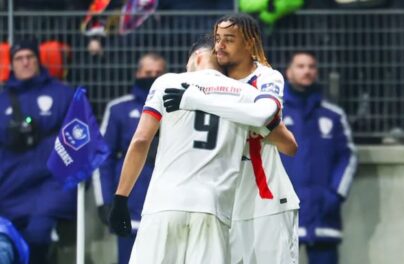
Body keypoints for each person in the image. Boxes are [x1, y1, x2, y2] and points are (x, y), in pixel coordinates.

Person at [108, 36, 293, 263]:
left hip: (165, 204)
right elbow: (288, 145)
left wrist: (120, 199)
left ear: (196, 57)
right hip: (213, 208)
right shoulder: (246, 95)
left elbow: (140, 141)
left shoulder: (168, 82)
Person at [211, 13, 300, 264]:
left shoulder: (267, 77)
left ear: (250, 43)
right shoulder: (210, 81)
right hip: (223, 205)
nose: (219, 45)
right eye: (217, 38)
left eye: (229, 39)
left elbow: (270, 123)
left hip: (267, 204)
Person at [0, 39, 77, 264]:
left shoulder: (63, 94)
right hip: (9, 188)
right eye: (19, 58)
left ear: (38, 60)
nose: (25, 63)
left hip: (49, 185)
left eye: (30, 57)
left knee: (38, 238)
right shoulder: (2, 100)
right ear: (11, 64)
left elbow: (80, 139)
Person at [281, 50, 357, 264]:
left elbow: (348, 157)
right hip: (283, 213)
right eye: (301, 66)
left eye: (311, 66)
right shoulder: (274, 114)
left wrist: (335, 195)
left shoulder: (333, 115)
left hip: (323, 213)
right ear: (289, 72)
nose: (307, 71)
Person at [93, 52, 166, 264]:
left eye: (158, 73)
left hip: (167, 206)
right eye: (147, 72)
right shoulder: (119, 109)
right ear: (137, 74)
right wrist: (105, 201)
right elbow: (103, 158)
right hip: (131, 208)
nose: (152, 77)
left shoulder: (179, 109)